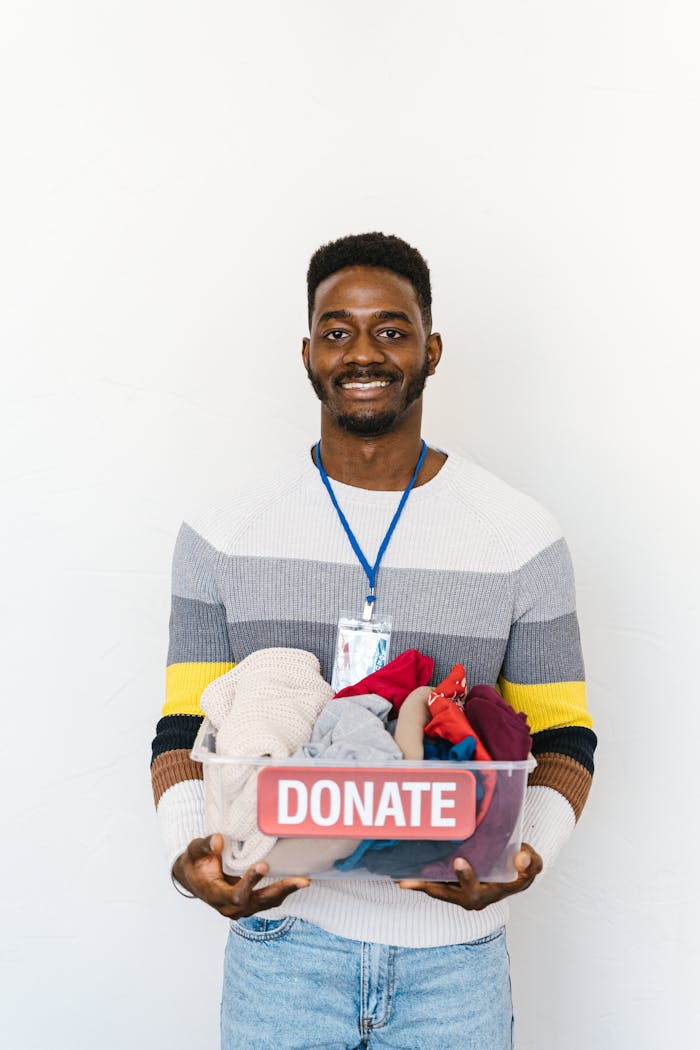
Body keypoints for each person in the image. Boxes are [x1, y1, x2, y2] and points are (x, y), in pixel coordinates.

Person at [150, 232, 596, 1049]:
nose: (363, 351)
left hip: (454, 970)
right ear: (308, 351)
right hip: (282, 957)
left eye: (391, 330)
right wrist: (197, 853)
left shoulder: (519, 537)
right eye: (337, 330)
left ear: (431, 350)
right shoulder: (222, 533)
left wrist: (520, 859)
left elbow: (566, 738)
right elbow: (185, 730)